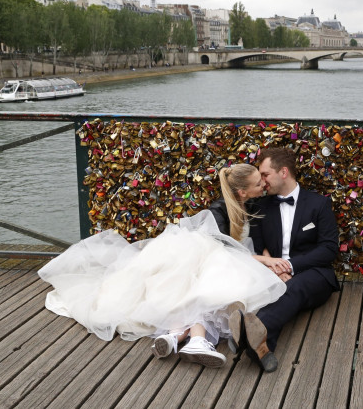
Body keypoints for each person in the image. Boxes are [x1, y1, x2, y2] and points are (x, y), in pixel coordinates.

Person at [38, 164, 286, 369]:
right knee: (208, 286)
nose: (263, 185)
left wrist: (266, 258)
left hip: (210, 258)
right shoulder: (219, 212)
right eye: (258, 183)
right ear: (242, 192)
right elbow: (226, 253)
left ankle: (175, 335)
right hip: (200, 256)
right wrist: (265, 261)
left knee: (206, 287)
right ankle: (195, 339)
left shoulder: (248, 206)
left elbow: (248, 245)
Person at [228, 147, 340, 372]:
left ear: (284, 172)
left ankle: (251, 333)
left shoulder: (319, 204)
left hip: (313, 273)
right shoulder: (260, 205)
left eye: (265, 174)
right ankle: (262, 347)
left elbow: (329, 249)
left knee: (295, 287)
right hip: (271, 271)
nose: (262, 180)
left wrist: (290, 266)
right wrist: (275, 268)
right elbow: (259, 245)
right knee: (272, 289)